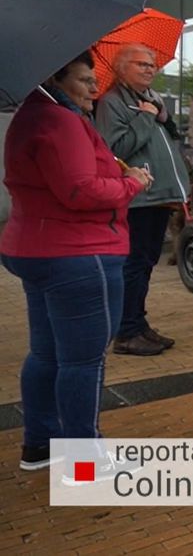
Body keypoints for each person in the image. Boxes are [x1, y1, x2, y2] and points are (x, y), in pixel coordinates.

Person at [2, 52, 151, 471]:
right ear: (56, 78)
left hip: (38, 247)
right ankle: (84, 461)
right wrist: (131, 183)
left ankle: (40, 445)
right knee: (83, 361)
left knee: (46, 354)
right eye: (85, 80)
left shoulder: (33, 116)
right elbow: (81, 192)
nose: (93, 89)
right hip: (77, 253)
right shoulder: (59, 121)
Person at [95, 44, 190, 356]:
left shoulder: (149, 99)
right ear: (122, 68)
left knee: (146, 262)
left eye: (152, 64)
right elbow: (114, 149)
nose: (151, 69)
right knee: (135, 263)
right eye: (142, 64)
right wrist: (147, 119)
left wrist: (161, 114)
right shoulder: (111, 102)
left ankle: (138, 323)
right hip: (139, 197)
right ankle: (126, 331)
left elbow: (171, 136)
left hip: (157, 195)